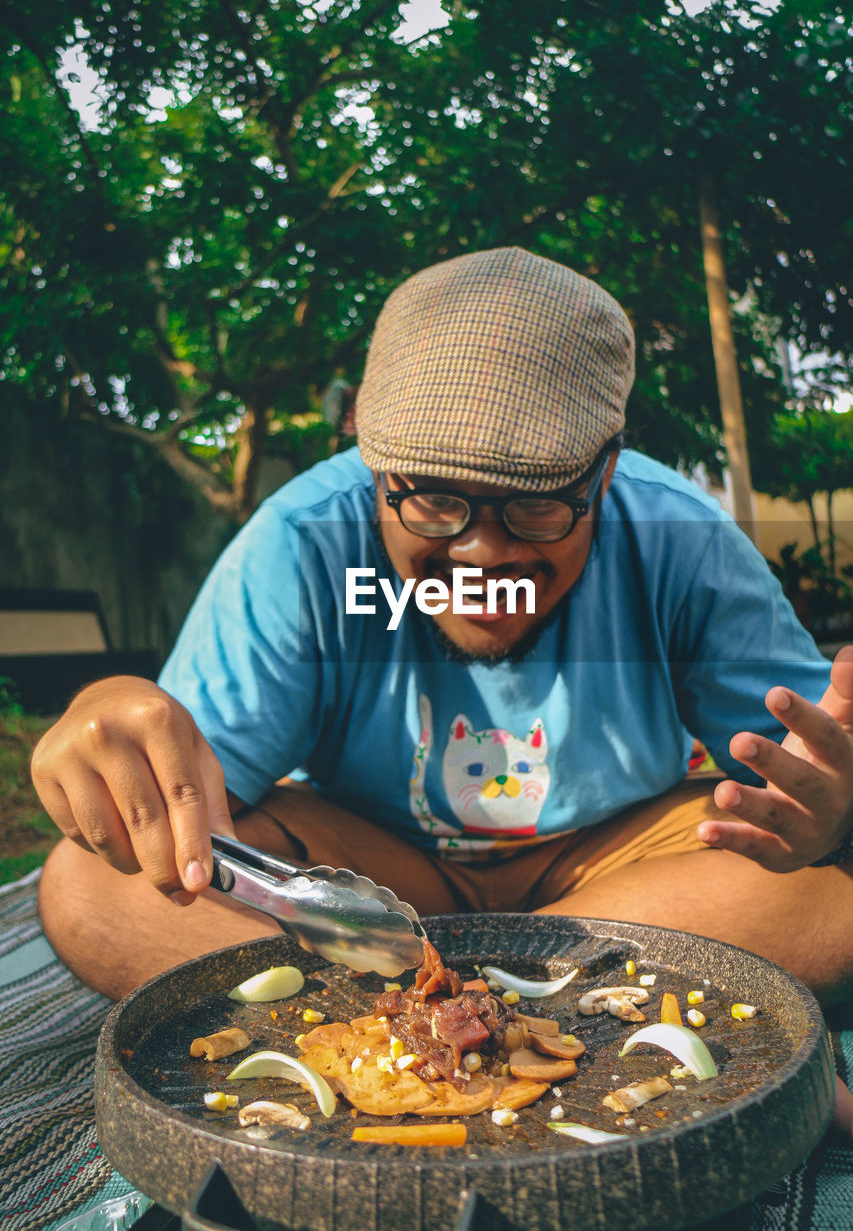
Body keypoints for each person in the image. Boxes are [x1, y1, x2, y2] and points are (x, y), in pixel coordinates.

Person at [32, 248, 853, 1048]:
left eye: (536, 506)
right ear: (373, 465)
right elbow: (185, 823)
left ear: (605, 472)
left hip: (619, 868)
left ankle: (427, 1008)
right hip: (372, 879)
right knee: (92, 883)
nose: (481, 555)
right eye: (430, 499)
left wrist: (832, 816)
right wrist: (105, 724)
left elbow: (802, 777)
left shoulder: (681, 537)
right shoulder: (300, 539)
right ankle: (541, 1004)